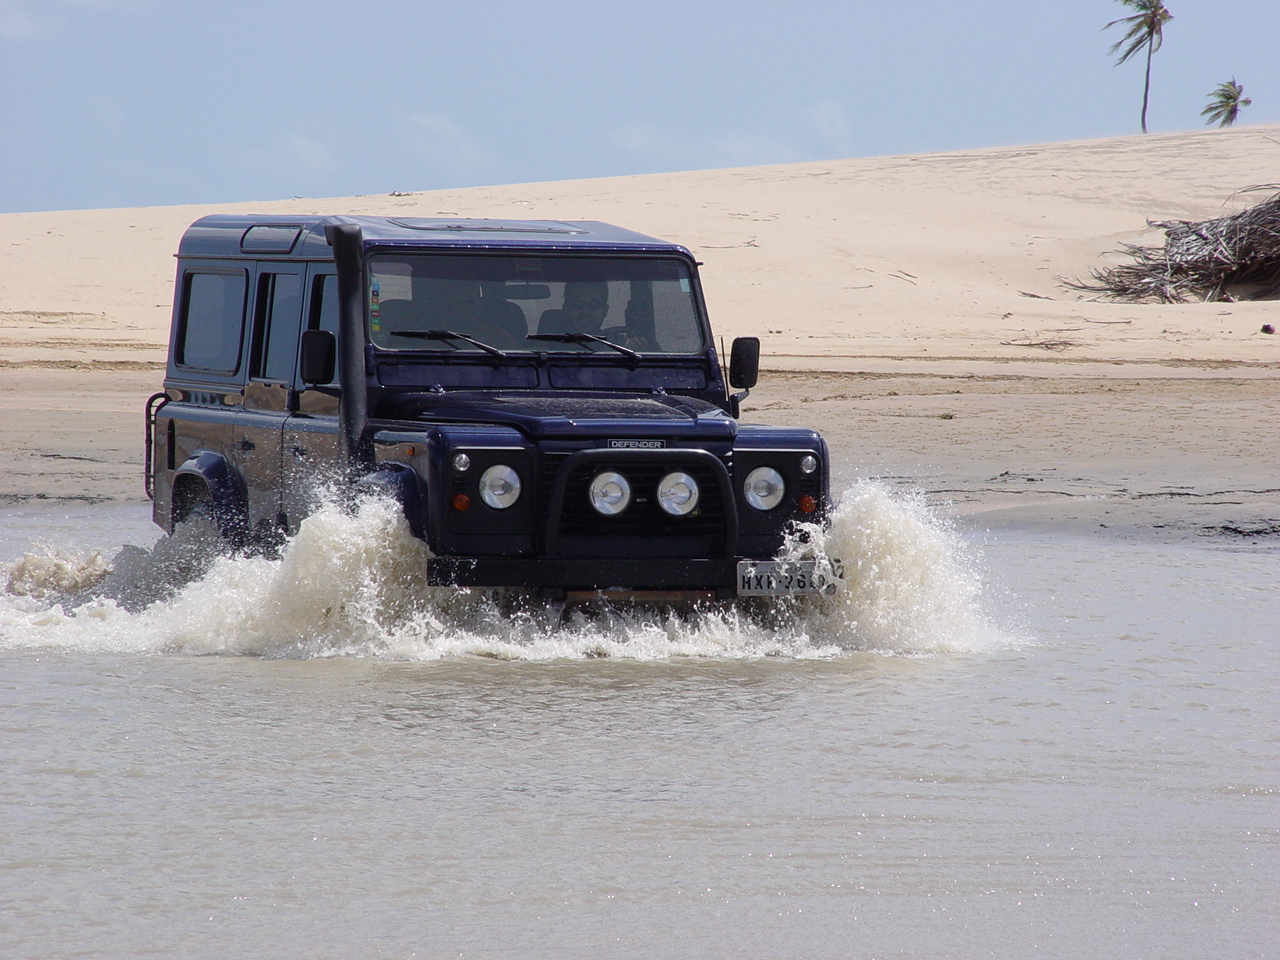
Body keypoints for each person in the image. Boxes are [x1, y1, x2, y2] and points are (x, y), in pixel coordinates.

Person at [538, 281, 610, 335]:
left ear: (605, 311)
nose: (585, 312)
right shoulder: (545, 351)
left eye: (594, 306)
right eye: (577, 304)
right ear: (566, 309)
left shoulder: (618, 350)